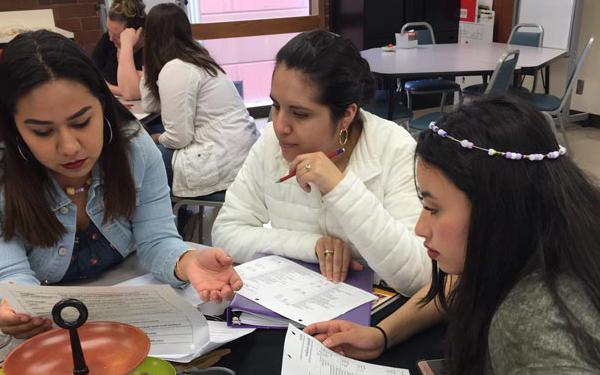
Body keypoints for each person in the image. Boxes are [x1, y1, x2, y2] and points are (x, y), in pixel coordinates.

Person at [305, 96, 600, 374]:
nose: (420, 228)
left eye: (433, 209)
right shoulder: (552, 240)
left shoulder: (531, 323)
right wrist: (383, 335)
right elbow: (456, 285)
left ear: (496, 210)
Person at [0, 30, 242, 339]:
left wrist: (188, 261)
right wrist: (15, 306)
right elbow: (11, 274)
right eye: (43, 132)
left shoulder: (135, 151)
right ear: (15, 129)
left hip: (134, 308)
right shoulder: (6, 174)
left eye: (82, 122)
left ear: (102, 105)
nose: (69, 146)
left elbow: (157, 242)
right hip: (55, 320)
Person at [212, 30, 430, 296]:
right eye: (276, 106)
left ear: (347, 115)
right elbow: (226, 233)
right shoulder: (271, 143)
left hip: (375, 317)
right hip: (295, 303)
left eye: (300, 114)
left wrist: (339, 188)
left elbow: (419, 276)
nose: (279, 126)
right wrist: (312, 246)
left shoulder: (393, 148)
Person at [140, 3, 258, 197]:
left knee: (143, 161)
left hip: (221, 158)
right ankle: (182, 218)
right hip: (235, 151)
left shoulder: (176, 69)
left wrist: (156, 139)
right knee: (153, 142)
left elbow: (179, 139)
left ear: (149, 36)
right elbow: (150, 104)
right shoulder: (197, 58)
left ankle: (172, 220)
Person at [91, 0, 145, 100]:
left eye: (117, 35)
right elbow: (90, 75)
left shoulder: (152, 50)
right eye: (109, 31)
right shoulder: (108, 40)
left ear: (136, 32)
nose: (111, 38)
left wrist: (126, 46)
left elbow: (131, 93)